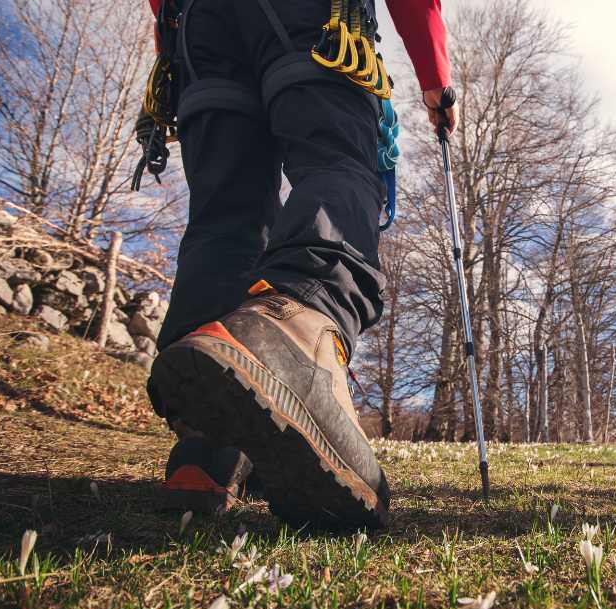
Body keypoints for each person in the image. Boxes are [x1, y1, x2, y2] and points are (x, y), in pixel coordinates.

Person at [141, 0, 456, 530]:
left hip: (195, 30)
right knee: (338, 160)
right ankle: (299, 325)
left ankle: (207, 446)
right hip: (312, 19)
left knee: (224, 216)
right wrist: (435, 77)